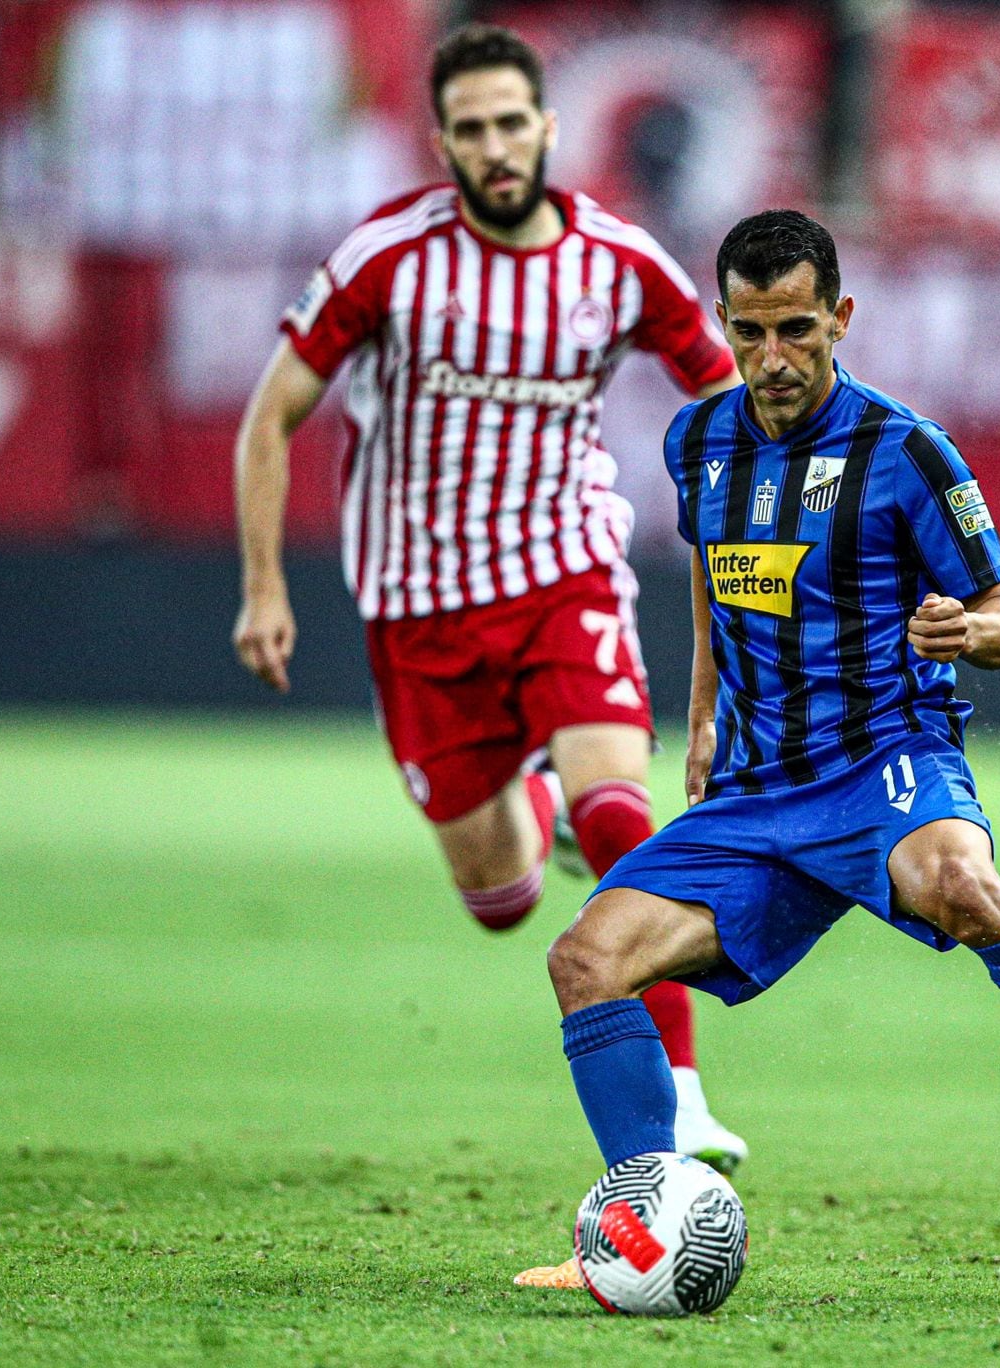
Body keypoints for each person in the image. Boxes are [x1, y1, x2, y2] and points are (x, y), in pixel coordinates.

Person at [514, 210, 1000, 1289]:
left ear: (839, 315)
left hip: (883, 763)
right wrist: (702, 718)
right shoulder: (699, 440)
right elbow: (706, 577)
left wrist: (967, 631)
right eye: (747, 333)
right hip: (753, 793)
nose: (771, 359)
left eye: (793, 329)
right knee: (586, 961)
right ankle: (640, 1224)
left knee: (962, 886)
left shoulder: (906, 452)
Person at [231, 24, 746, 1168]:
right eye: (470, 130)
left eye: (512, 123)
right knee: (501, 899)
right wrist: (264, 587)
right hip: (419, 611)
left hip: (564, 573)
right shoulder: (386, 258)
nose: (495, 147)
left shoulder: (618, 262)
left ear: (548, 128)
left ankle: (679, 1092)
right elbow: (271, 413)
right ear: (442, 142)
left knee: (626, 814)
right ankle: (540, 812)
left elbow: (728, 393)